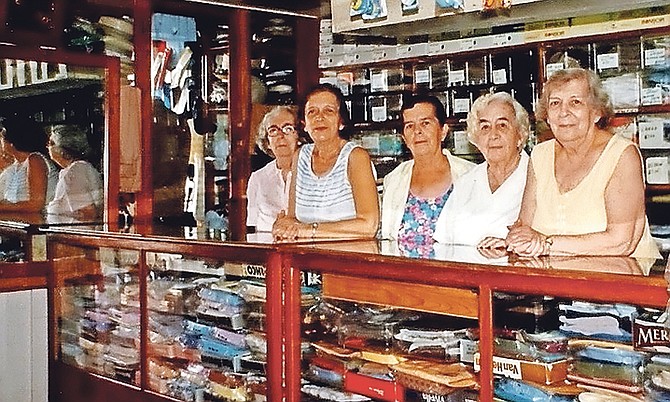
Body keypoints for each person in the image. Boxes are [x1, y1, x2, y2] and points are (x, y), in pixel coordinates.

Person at [503, 68, 660, 259]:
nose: (563, 113)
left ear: (596, 112)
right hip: (555, 278)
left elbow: (622, 241)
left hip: (621, 279)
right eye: (555, 103)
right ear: (546, 115)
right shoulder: (540, 154)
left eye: (575, 102)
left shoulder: (622, 154)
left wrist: (546, 243)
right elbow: (525, 226)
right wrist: (510, 242)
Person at [272, 83, 379, 239]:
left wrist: (310, 230)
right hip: (306, 259)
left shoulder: (355, 157)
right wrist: (282, 226)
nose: (319, 117)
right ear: (304, 124)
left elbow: (369, 225)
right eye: (312, 112)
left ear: (341, 121)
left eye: (328, 111)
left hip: (349, 258)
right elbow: (292, 218)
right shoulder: (300, 156)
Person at [380, 94, 474, 256]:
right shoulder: (393, 180)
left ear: (443, 131)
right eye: (410, 126)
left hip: (454, 275)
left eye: (425, 123)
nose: (417, 131)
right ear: (404, 138)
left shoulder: (470, 175)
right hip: (402, 277)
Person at [433, 92, 530, 247]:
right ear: (476, 139)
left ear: (520, 135)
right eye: (485, 127)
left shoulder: (537, 176)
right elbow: (442, 242)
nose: (493, 135)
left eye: (502, 125)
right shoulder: (466, 182)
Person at [246, 106, 300, 232]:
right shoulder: (258, 178)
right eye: (273, 131)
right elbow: (252, 226)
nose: (280, 136)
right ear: (267, 142)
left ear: (299, 136)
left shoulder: (313, 173)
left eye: (288, 129)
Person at [0, 115, 58, 213]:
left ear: (12, 143)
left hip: (38, 223)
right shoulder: (14, 166)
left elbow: (36, 204)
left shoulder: (35, 159)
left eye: (2, 138)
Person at [45, 125, 103, 220]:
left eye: (51, 143)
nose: (47, 147)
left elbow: (88, 213)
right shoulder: (75, 169)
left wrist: (59, 214)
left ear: (63, 150)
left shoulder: (76, 171)